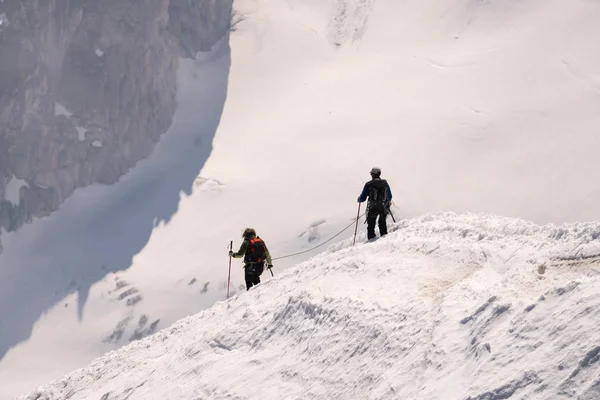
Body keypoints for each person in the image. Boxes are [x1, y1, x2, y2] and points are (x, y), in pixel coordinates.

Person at [357, 167, 393, 240]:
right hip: (383, 207)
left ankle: (371, 239)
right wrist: (387, 202)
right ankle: (384, 237)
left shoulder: (369, 184)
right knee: (382, 222)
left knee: (371, 224)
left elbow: (363, 198)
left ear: (372, 174)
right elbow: (389, 196)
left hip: (373, 207)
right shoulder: (385, 183)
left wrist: (359, 199)